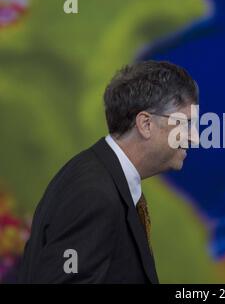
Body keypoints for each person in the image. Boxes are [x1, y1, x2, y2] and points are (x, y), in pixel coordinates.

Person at [19, 60, 199, 283]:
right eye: (185, 124)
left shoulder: (102, 179)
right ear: (145, 124)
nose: (194, 137)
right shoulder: (93, 194)